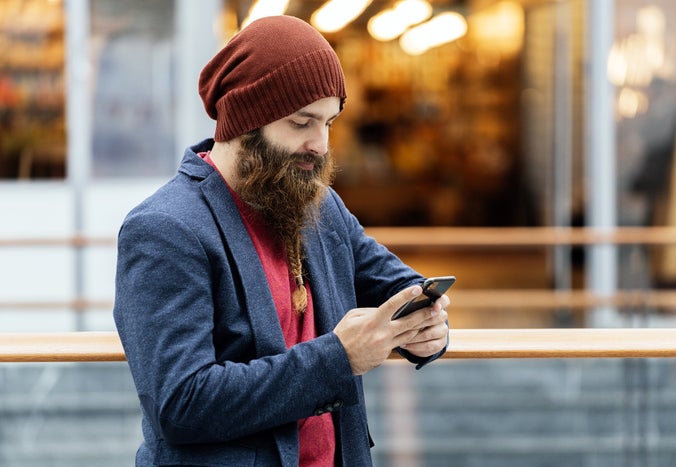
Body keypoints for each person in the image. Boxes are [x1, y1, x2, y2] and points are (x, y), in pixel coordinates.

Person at [113, 15, 450, 467]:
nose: (321, 143)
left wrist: (425, 325)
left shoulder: (317, 204)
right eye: (301, 122)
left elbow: (400, 287)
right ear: (246, 120)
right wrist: (338, 357)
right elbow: (181, 404)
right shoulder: (164, 229)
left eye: (329, 122)